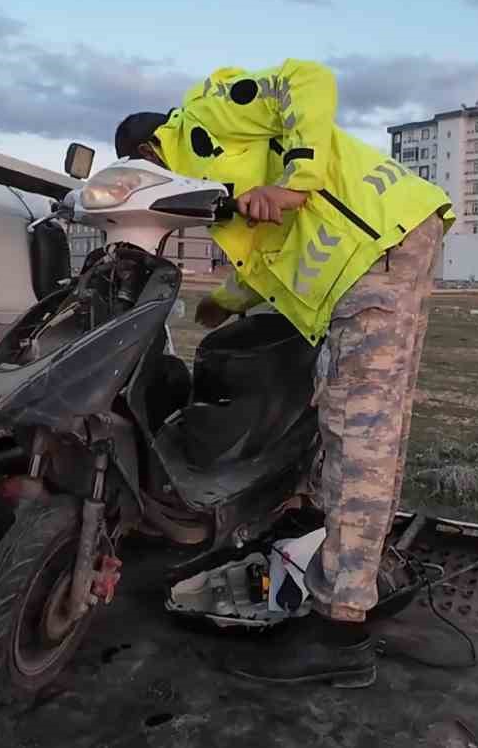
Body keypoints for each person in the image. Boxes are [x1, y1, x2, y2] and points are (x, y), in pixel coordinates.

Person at [114, 60, 453, 688]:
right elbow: (275, 249)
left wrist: (296, 182)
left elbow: (307, 79)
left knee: (360, 434)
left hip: (373, 244)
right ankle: (332, 552)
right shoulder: (214, 191)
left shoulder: (205, 115)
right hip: (380, 245)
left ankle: (338, 631)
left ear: (148, 153)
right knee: (367, 426)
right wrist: (228, 302)